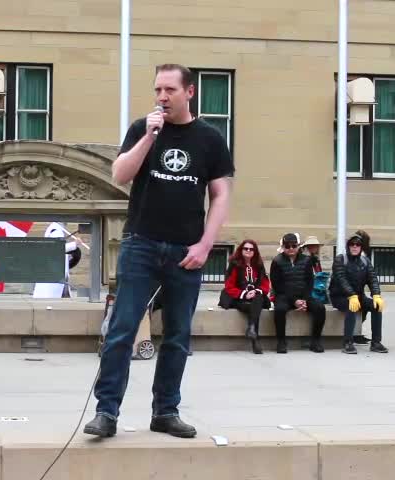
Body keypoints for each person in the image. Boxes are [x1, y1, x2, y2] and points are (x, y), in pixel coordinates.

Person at [84, 64, 233, 439]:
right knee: (121, 329)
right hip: (142, 243)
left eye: (169, 89)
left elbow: (220, 195)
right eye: (157, 90)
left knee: (178, 335)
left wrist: (205, 245)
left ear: (189, 93)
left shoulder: (210, 139)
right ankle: (107, 412)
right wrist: (150, 137)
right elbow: (120, 174)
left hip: (186, 249)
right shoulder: (142, 129)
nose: (162, 97)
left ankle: (165, 411)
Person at [330, 233, 387, 354]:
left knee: (376, 306)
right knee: (352, 308)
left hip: (359, 296)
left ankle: (376, 342)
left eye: (358, 245)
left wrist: (376, 295)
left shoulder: (365, 261)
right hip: (340, 296)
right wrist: (351, 295)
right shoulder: (340, 259)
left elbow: (372, 278)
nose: (354, 247)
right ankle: (348, 343)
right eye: (352, 244)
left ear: (361, 247)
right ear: (348, 246)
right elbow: (341, 280)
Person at [269, 233, 326, 354]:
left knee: (320, 308)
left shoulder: (306, 260)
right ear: (283, 247)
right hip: (284, 296)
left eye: (293, 246)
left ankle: (315, 341)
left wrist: (305, 299)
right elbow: (277, 285)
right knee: (279, 310)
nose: (291, 249)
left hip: (303, 296)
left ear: (298, 246)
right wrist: (294, 301)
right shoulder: (277, 261)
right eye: (287, 246)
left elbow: (309, 281)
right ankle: (281, 342)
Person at [218, 239, 270, 354]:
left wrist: (256, 291)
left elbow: (266, 284)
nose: (248, 251)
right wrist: (244, 294)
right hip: (237, 298)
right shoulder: (235, 265)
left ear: (255, 251)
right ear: (241, 250)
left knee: (258, 298)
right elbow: (229, 286)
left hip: (255, 298)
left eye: (251, 249)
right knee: (254, 307)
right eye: (245, 248)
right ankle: (255, 339)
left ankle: (251, 329)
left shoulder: (259, 265)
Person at [32, 222, 83, 298]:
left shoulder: (57, 229)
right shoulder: (56, 230)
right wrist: (74, 244)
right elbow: (54, 249)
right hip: (52, 275)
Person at [352, 229, 373, 345]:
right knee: (359, 308)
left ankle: (357, 332)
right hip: (351, 292)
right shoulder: (358, 255)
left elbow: (370, 276)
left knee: (368, 306)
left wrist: (375, 293)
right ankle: (355, 334)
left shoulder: (364, 255)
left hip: (359, 290)